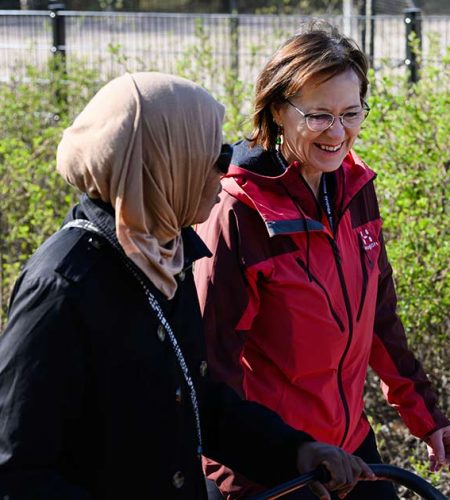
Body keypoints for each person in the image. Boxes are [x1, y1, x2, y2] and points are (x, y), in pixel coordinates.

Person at [0, 72, 375, 499]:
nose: (227, 166)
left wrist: (295, 452)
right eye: (213, 153)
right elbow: (17, 473)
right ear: (162, 163)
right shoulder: (63, 287)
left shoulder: (163, 255)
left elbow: (197, 399)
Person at [194, 23, 450, 500]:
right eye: (319, 116)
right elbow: (213, 368)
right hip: (277, 466)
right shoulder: (238, 212)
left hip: (351, 448)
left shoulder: (356, 189)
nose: (338, 132)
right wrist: (233, 480)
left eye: (351, 113)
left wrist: (427, 419)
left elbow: (380, 319)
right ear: (277, 111)